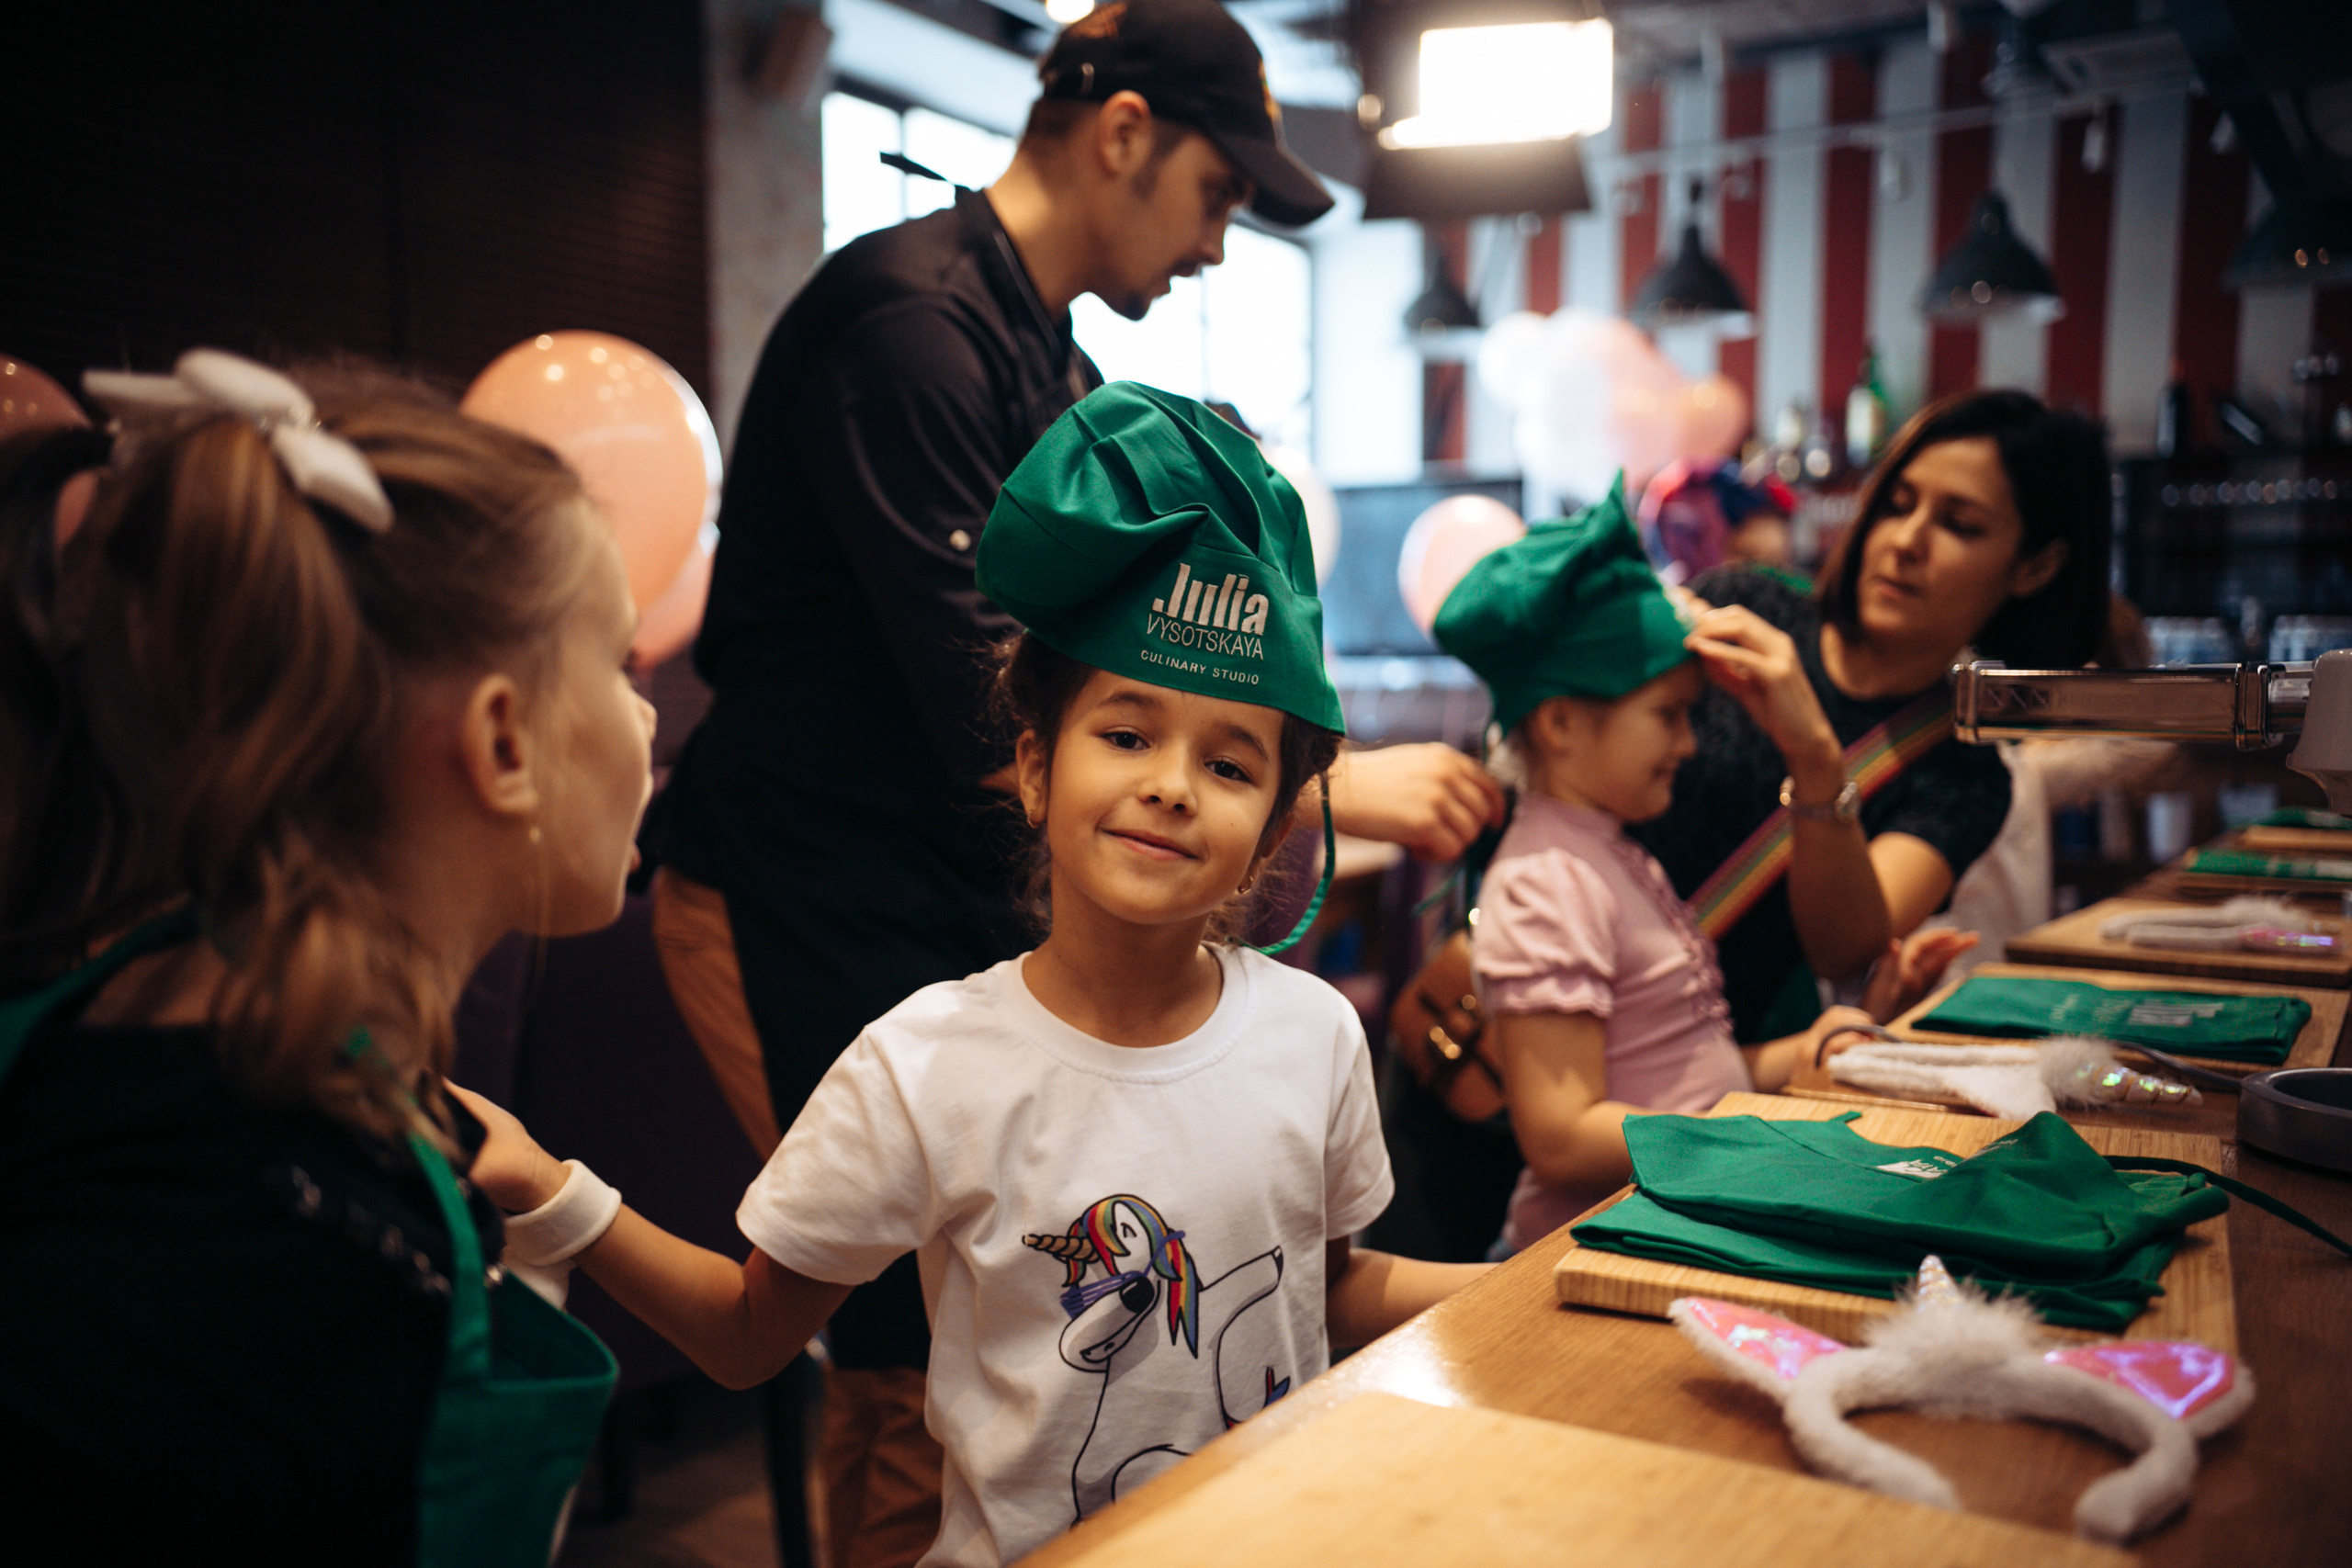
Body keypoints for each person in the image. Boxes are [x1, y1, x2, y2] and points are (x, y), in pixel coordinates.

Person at [642, 1, 1500, 1540]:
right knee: (908, 1348)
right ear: (1121, 135)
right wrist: (1317, 784)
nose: (1223, 248)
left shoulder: (1043, 346)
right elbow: (984, 696)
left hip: (944, 883)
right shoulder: (909, 328)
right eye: (1221, 195)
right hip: (802, 887)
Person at [457, 384, 1486, 1568]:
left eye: (1230, 761)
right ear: (1037, 772)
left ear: (1272, 827)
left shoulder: (1314, 1037)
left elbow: (1329, 1290)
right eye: (1127, 734)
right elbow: (748, 1335)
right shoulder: (925, 1066)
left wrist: (1531, 1284)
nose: (1170, 784)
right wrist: (555, 1194)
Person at [0, 352, 655, 1562]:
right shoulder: (256, 1252)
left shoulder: (210, 1036)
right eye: (619, 665)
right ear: (503, 738)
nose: (650, 713)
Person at [1432, 480, 1967, 1255]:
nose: (1689, 743)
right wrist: (1745, 1132)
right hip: (1580, 1249)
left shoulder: (1611, 853)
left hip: (1663, 1219)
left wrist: (1809, 1049)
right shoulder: (1547, 878)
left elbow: (1682, 1075)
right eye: (1667, 715)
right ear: (1560, 722)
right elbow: (1560, 1138)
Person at [1632, 389, 2113, 1042]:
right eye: (1897, 504)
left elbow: (1843, 947)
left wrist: (1814, 756)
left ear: (2034, 567)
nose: (1907, 540)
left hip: (1680, 1064)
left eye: (1960, 524)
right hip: (1543, 980)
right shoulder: (1742, 604)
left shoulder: (1965, 775)